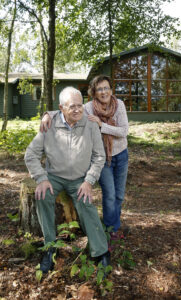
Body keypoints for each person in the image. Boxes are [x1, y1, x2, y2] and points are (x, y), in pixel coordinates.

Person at [25, 86, 110, 274]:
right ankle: (50, 248)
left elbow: (99, 157)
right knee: (42, 196)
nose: (77, 110)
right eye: (72, 106)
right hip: (54, 176)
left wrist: (89, 180)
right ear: (61, 108)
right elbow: (31, 154)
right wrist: (41, 178)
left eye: (80, 106)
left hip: (80, 178)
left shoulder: (90, 125)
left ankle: (100, 251)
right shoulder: (49, 124)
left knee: (86, 202)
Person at [41, 75, 129, 242]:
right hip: (102, 158)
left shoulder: (119, 106)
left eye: (106, 88)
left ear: (111, 90)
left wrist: (102, 125)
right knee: (109, 195)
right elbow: (68, 111)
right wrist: (47, 114)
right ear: (94, 92)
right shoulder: (88, 108)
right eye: (99, 89)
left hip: (121, 155)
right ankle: (111, 231)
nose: (103, 92)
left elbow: (123, 131)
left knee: (119, 196)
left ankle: (113, 224)